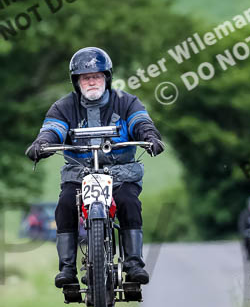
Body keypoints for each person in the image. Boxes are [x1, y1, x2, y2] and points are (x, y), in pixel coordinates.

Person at [25, 47, 164, 288]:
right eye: (85, 77)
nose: (91, 81)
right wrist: (42, 143)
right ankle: (67, 268)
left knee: (130, 203)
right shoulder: (63, 107)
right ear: (76, 81)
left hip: (120, 174)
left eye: (96, 76)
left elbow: (140, 121)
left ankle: (133, 263)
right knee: (65, 204)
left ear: (106, 78)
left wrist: (150, 135)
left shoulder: (127, 101)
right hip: (79, 174)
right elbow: (52, 130)